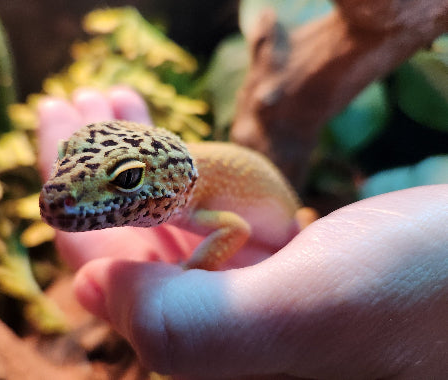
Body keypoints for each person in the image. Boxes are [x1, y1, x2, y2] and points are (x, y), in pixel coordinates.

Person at [37, 87, 448, 379]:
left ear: (179, 183)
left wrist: (194, 267)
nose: (64, 195)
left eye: (126, 179)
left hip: (293, 228)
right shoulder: (183, 192)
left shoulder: (198, 209)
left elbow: (236, 228)